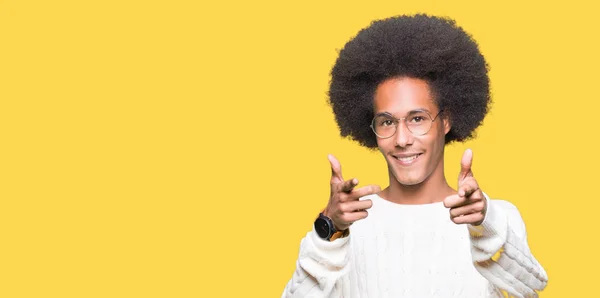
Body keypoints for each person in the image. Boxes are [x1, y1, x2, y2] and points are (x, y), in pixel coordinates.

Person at [281, 14, 548, 298]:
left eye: (417, 118)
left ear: (445, 121)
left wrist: (485, 225)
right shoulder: (348, 223)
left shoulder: (494, 218)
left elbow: (530, 287)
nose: (402, 139)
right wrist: (330, 229)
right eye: (387, 122)